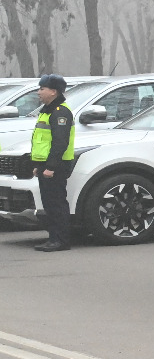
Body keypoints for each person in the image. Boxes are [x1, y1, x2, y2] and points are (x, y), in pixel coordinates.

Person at [29, 74, 75, 252]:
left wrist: (50, 167)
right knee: (49, 204)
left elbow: (60, 143)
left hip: (56, 165)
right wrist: (38, 165)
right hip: (45, 165)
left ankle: (61, 240)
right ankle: (53, 238)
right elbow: (42, 142)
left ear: (53, 91)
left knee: (56, 203)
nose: (38, 92)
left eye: (42, 88)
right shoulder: (47, 111)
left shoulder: (60, 112)